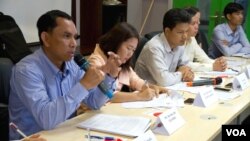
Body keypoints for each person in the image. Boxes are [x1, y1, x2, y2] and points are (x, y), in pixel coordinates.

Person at [8, 10, 121, 140]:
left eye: (75, 37)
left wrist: (110, 76)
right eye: (67, 36)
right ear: (46, 38)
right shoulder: (26, 70)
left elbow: (94, 102)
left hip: (66, 134)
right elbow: (47, 120)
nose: (74, 44)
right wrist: (84, 85)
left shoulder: (72, 64)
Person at [88, 22, 168, 103]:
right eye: (128, 48)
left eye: (133, 50)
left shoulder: (121, 62)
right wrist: (139, 96)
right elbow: (106, 95)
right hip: (89, 113)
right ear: (116, 43)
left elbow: (136, 81)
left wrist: (151, 87)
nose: (130, 54)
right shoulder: (95, 62)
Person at [135, 8, 194, 86]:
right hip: (145, 92)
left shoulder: (179, 44)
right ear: (167, 31)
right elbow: (164, 80)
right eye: (180, 32)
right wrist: (181, 73)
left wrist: (188, 72)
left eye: (186, 31)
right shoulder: (154, 48)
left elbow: (186, 65)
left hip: (166, 89)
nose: (185, 36)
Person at [183, 7, 227, 72]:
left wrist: (218, 63)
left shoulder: (192, 38)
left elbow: (203, 58)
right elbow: (185, 64)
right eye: (193, 23)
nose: (197, 27)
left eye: (198, 23)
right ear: (183, 24)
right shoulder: (178, 40)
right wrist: (212, 67)